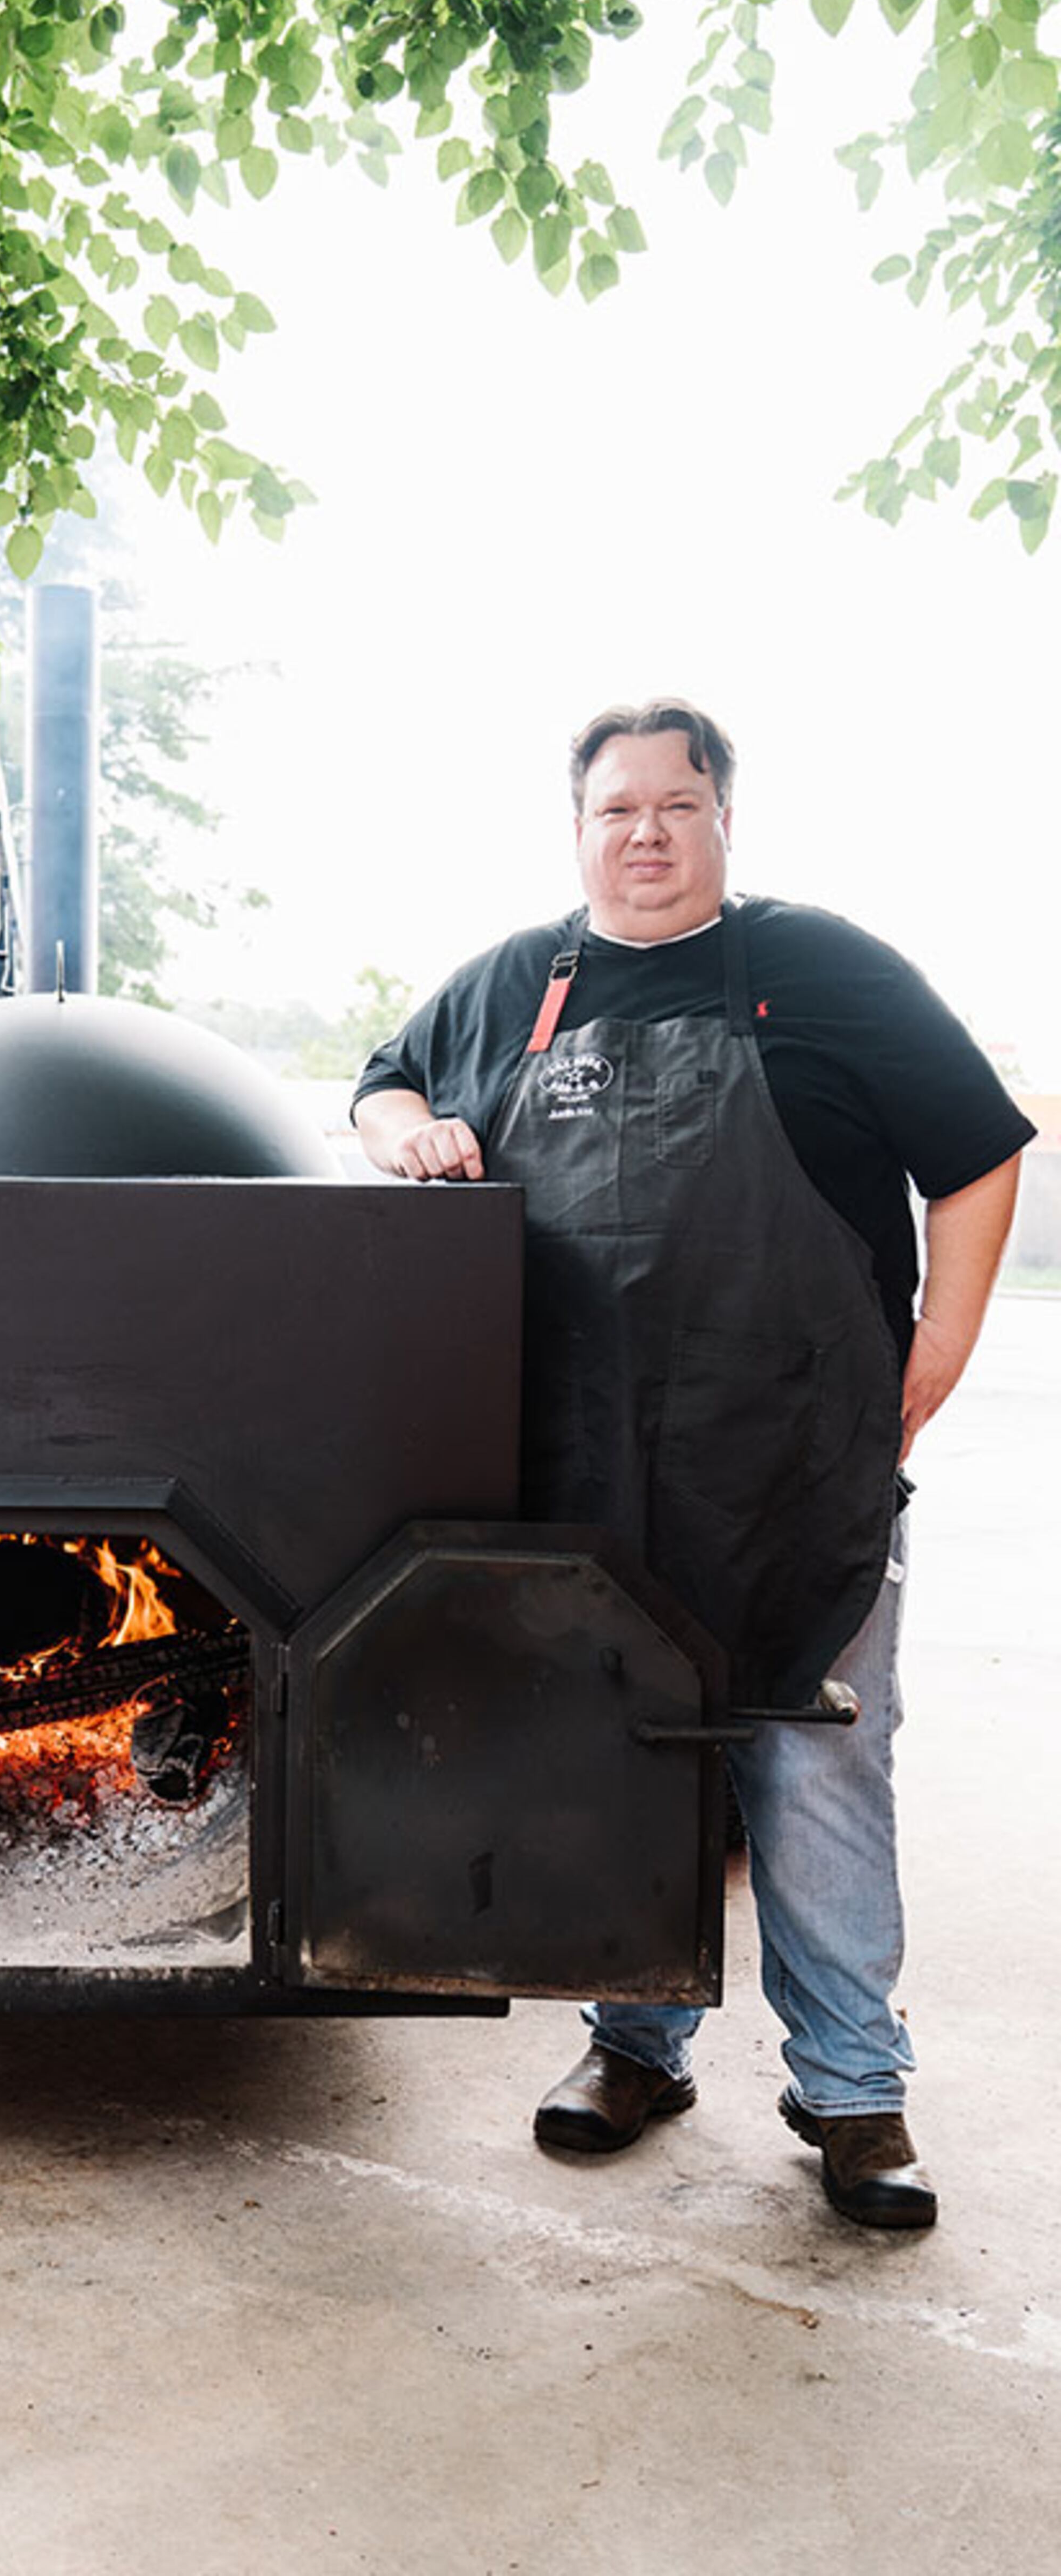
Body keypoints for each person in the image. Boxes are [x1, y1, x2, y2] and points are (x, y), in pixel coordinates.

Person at [352, 699, 1029, 2233]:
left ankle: (853, 2091)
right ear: (578, 829)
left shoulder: (827, 969)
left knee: (815, 1762)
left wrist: (940, 1344)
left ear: (725, 818)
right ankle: (635, 2047)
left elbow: (981, 1153)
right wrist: (405, 1134)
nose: (646, 833)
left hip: (797, 1458)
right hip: (589, 1465)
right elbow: (383, 1080)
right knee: (624, 1750)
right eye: (618, 808)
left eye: (677, 804)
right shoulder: (513, 984)